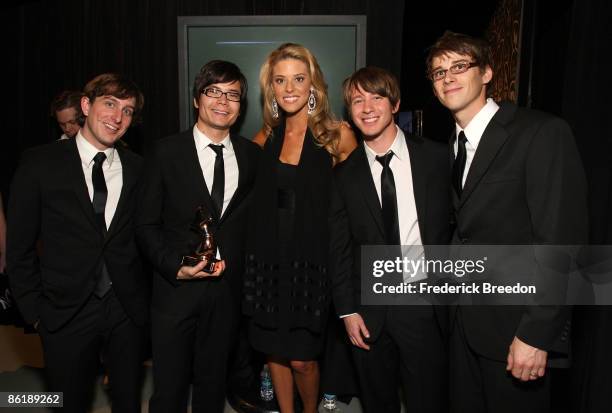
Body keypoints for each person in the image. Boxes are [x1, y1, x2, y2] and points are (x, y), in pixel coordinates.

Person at [426, 31, 588, 412]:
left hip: (517, 333)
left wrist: (537, 334)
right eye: (437, 72)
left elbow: (562, 242)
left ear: (486, 73)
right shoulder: (450, 147)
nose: (447, 77)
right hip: (463, 329)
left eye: (459, 66)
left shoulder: (540, 133)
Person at [7, 73, 148, 412]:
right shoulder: (40, 164)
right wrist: (36, 314)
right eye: (110, 104)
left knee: (128, 401)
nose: (118, 118)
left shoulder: (140, 169)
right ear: (86, 105)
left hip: (125, 311)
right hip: (63, 311)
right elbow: (19, 248)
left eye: (127, 111)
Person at [136, 60, 260, 413]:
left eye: (233, 94)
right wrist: (175, 267)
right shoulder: (165, 152)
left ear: (241, 105)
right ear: (196, 99)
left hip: (227, 296)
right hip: (174, 293)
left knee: (212, 388)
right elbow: (144, 225)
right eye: (213, 91)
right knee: (170, 391)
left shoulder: (253, 156)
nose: (223, 101)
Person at [328, 66, 450, 413]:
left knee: (429, 400)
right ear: (349, 112)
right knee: (378, 402)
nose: (367, 108)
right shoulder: (342, 175)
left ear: (394, 104)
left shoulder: (437, 158)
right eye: (357, 100)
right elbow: (338, 248)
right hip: (369, 309)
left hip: (425, 302)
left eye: (376, 97)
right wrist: (347, 310)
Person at [243, 43, 357, 413]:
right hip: (269, 263)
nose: (289, 88)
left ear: (313, 85)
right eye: (280, 80)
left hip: (312, 264)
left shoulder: (336, 136)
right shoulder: (266, 137)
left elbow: (359, 205)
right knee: (275, 352)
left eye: (298, 78)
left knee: (302, 360)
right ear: (271, 89)